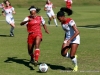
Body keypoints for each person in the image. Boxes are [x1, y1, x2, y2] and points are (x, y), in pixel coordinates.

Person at [57, 7, 80, 71]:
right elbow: (66, 32)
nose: (59, 20)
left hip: (75, 38)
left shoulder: (70, 21)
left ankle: (76, 66)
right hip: (68, 39)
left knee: (72, 55)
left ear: (62, 16)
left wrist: (70, 40)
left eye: (59, 19)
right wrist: (65, 40)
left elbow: (77, 32)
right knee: (63, 53)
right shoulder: (62, 23)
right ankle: (74, 57)